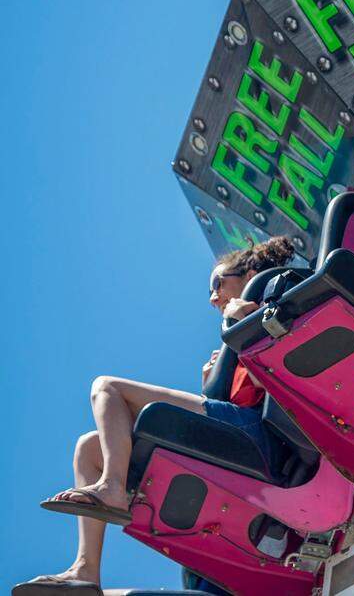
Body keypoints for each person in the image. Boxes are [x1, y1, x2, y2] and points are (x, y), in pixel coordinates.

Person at [18, 237, 296, 595]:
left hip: (258, 436)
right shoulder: (231, 336)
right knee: (89, 448)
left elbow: (282, 381)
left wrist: (242, 327)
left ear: (252, 274)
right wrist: (213, 379)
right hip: (231, 429)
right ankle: (86, 570)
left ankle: (113, 488)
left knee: (107, 388)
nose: (213, 297)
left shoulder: (267, 308)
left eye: (218, 283)